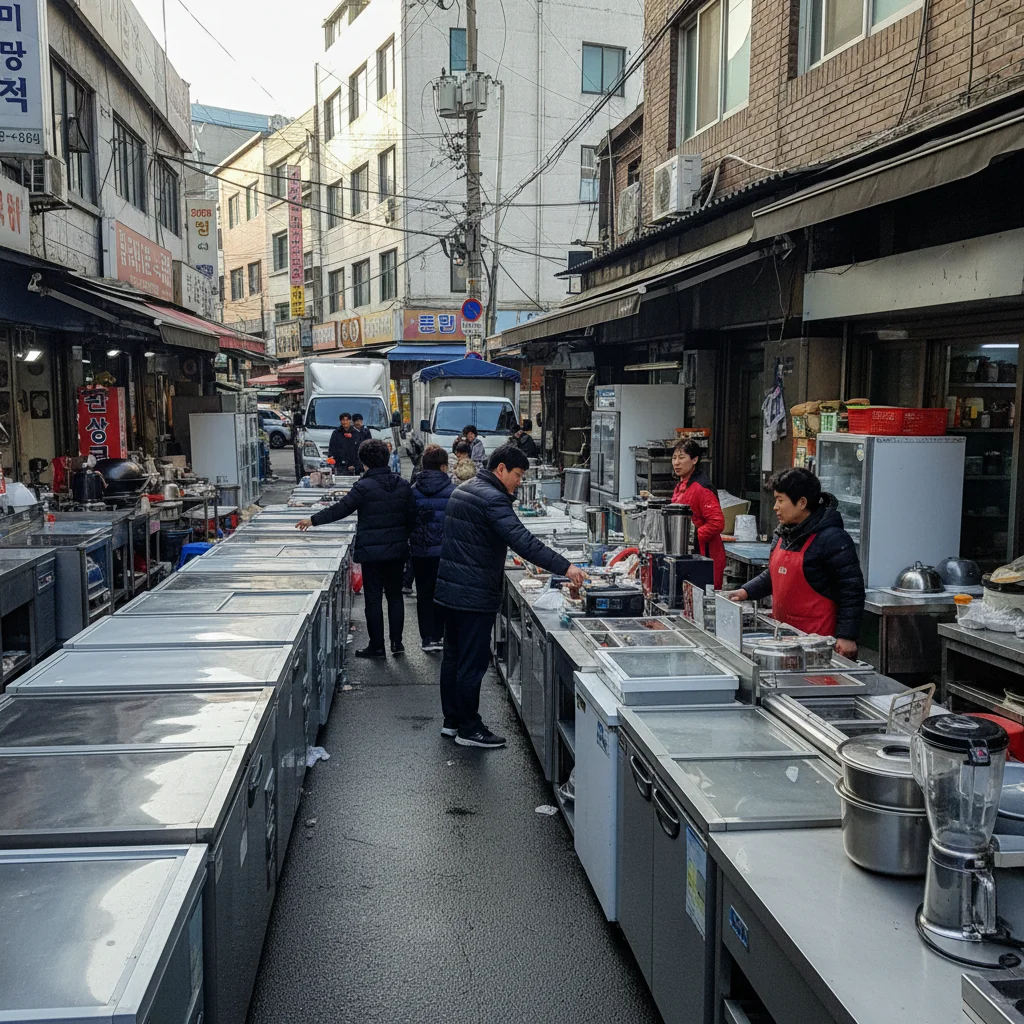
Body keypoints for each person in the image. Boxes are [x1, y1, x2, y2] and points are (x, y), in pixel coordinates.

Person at [435, 444, 587, 748]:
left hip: (452, 588)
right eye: (517, 474)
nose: (519, 481)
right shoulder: (491, 499)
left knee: (453, 657)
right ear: (500, 469)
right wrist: (566, 567)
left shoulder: (466, 488)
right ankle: (469, 728)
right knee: (472, 662)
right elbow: (524, 542)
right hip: (473, 593)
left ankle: (452, 721)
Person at [296, 439, 416, 659]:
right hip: (398, 551)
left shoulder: (363, 487)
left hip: (371, 553)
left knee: (373, 599)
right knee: (395, 596)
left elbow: (341, 509)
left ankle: (377, 646)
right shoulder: (403, 485)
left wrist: (313, 520)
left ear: (364, 462)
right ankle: (397, 643)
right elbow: (412, 517)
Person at [728, 468, 864, 657]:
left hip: (820, 641)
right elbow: (774, 574)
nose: (775, 506)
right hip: (785, 637)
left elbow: (852, 589)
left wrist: (847, 636)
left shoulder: (832, 538)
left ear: (801, 503)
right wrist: (745, 591)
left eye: (780, 500)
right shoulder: (783, 533)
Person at [409, 444, 456, 651]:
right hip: (446, 553)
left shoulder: (412, 491)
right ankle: (440, 635)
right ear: (444, 467)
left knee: (424, 594)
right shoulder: (454, 492)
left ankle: (427, 638)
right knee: (444, 593)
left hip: (420, 551)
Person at [670, 439, 726, 589]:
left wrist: (691, 538)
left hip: (705, 555)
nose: (676, 462)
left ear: (694, 460)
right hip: (688, 554)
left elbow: (716, 523)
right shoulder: (681, 485)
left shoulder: (701, 487)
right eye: (674, 457)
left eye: (681, 457)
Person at [291, 407, 305, 483]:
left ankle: (299, 479)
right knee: (300, 463)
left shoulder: (296, 428)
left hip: (298, 445)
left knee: (298, 462)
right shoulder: (301, 428)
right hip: (299, 445)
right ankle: (299, 478)